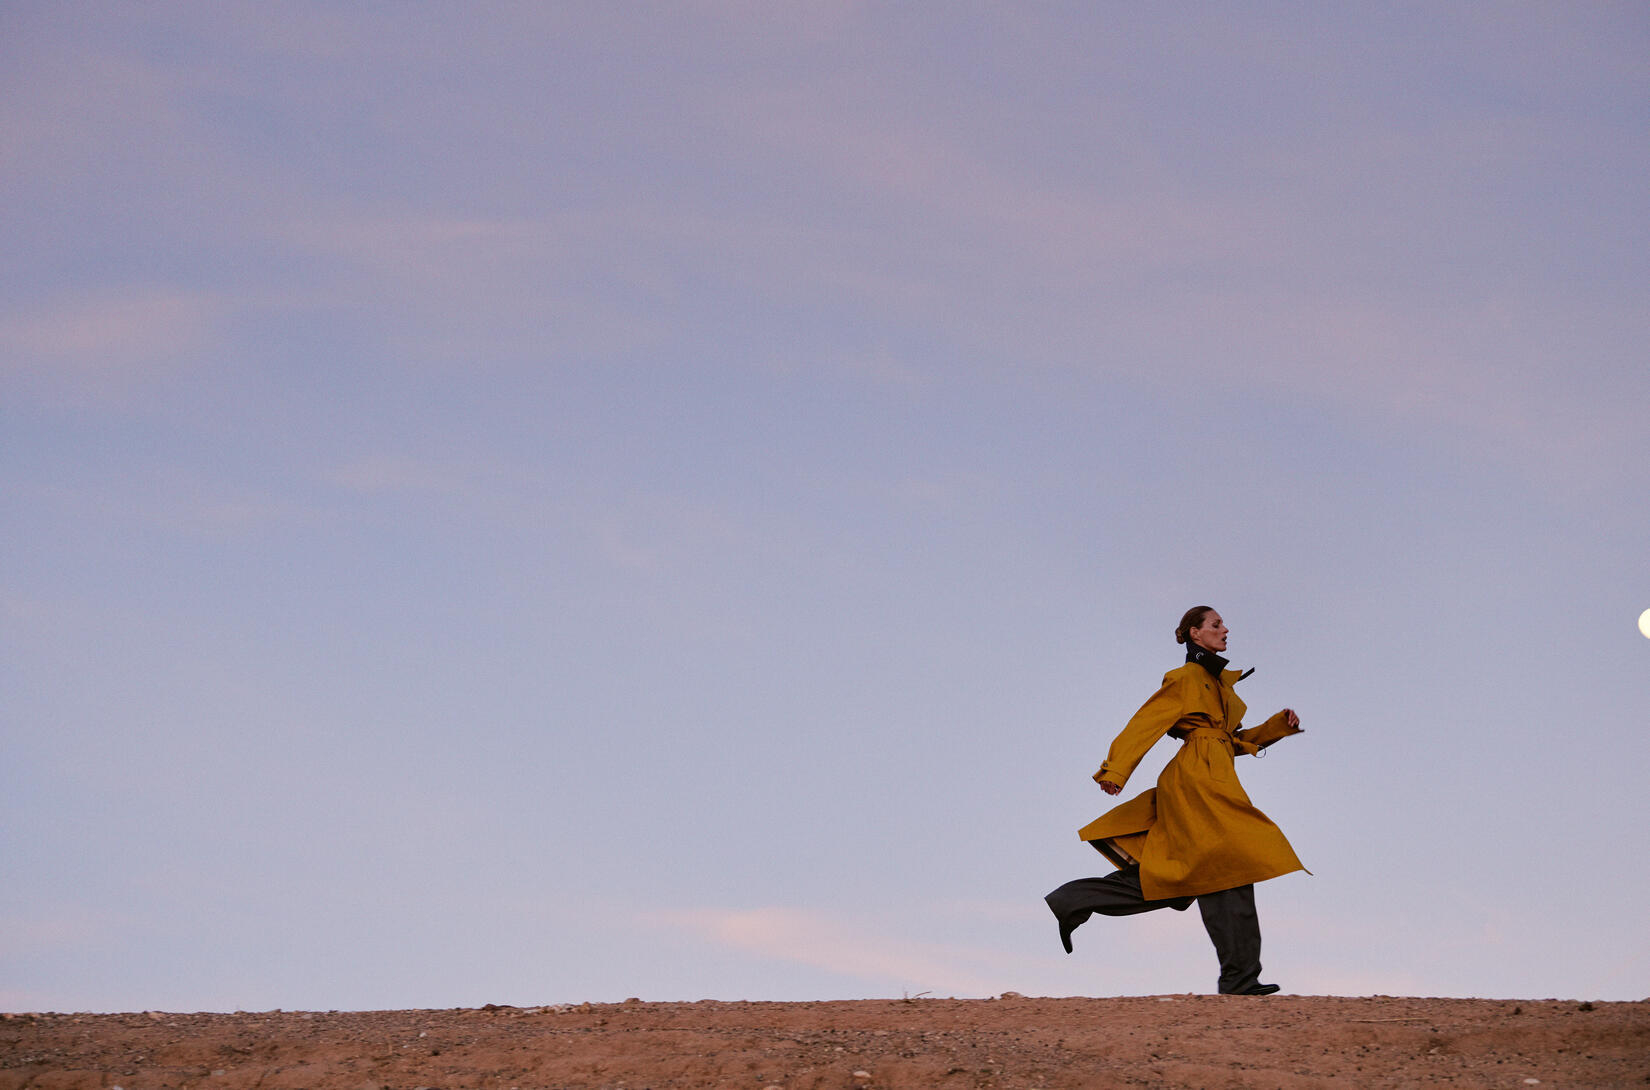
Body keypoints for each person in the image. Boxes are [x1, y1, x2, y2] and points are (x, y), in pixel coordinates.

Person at [1045, 606, 1306, 996]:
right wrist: (1116, 770)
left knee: (1193, 877)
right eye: (1216, 624)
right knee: (1231, 862)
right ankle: (1238, 978)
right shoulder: (1184, 678)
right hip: (1195, 783)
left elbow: (1230, 741)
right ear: (1195, 634)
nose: (1225, 629)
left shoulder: (1218, 686)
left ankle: (1074, 899)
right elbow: (1146, 721)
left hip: (1216, 778)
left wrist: (1276, 728)